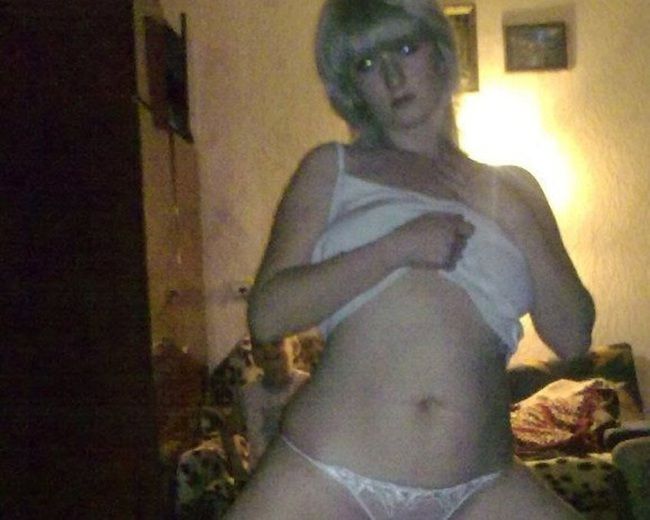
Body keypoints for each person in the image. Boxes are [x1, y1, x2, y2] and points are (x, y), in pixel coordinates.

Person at [226, 0, 595, 518]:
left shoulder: (516, 187)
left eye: (404, 48)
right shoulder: (333, 169)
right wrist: (395, 249)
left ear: (441, 52)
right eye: (367, 64)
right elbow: (267, 315)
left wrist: (511, 213)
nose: (392, 76)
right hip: (327, 472)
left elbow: (573, 335)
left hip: (481, 486)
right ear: (351, 86)